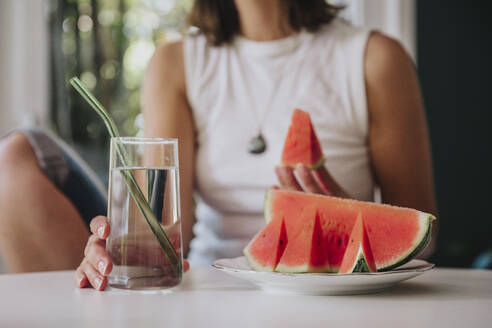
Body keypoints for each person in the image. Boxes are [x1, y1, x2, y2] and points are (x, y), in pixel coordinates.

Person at [0, 0, 437, 290]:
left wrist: (347, 222)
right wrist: (119, 250)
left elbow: (421, 235)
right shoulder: (177, 63)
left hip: (331, 287)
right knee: (13, 159)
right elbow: (169, 235)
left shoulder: (375, 59)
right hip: (209, 284)